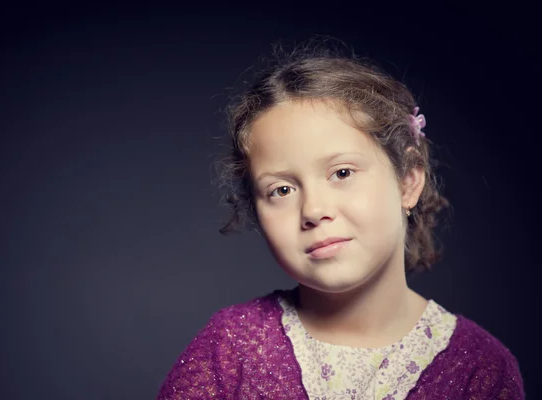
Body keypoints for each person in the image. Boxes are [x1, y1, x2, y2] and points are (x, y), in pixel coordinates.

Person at [156, 40, 524, 399]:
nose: (314, 210)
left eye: (342, 173)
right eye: (282, 190)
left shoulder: (481, 368)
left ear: (408, 180)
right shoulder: (229, 347)